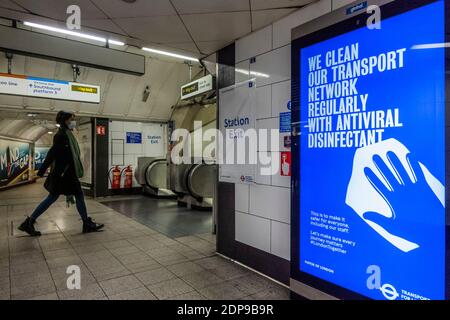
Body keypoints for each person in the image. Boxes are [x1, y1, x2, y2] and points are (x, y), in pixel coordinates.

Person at [18, 111, 104, 236]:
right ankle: (86, 223)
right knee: (74, 196)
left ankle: (29, 222)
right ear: (65, 121)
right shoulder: (61, 136)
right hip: (64, 174)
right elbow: (52, 154)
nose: (73, 122)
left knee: (54, 197)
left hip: (66, 173)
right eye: (71, 119)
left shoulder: (67, 134)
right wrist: (41, 172)